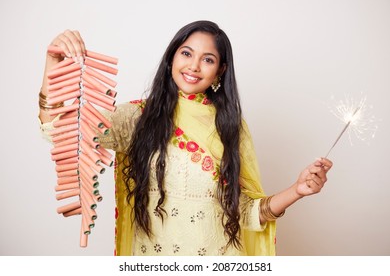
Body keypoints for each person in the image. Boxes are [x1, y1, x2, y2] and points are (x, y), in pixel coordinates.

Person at [39, 20, 333, 256]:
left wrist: (297, 190)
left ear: (220, 71)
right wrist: (53, 65)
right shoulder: (137, 119)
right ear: (172, 59)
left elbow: (244, 213)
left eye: (208, 59)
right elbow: (59, 133)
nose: (193, 66)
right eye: (186, 53)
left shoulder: (231, 128)